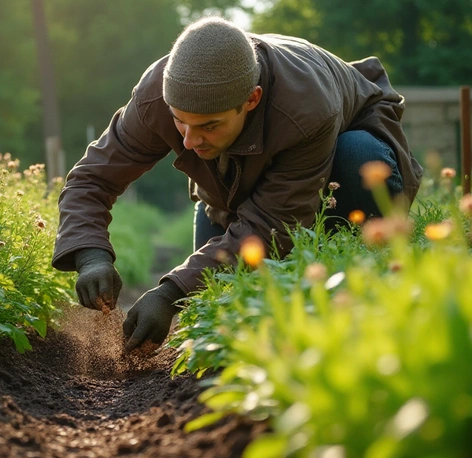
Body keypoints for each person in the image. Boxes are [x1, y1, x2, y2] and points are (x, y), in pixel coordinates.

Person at [51, 16, 423, 352]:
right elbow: (92, 177)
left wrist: (170, 293)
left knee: (358, 158)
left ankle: (357, 286)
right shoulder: (159, 94)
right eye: (180, 122)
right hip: (240, 190)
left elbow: (275, 224)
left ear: (251, 99)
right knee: (219, 295)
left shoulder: (307, 107)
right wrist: (91, 254)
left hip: (342, 159)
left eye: (208, 126)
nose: (188, 142)